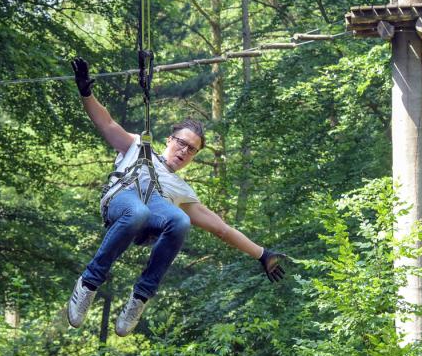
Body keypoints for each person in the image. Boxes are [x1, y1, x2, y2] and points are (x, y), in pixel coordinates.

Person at [67, 57, 287, 336]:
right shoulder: (137, 146)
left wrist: (262, 254)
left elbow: (221, 228)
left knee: (181, 221)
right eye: (181, 143)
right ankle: (88, 283)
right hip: (122, 199)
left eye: (191, 149)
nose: (184, 151)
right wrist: (86, 91)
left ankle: (140, 298)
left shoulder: (182, 191)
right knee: (138, 212)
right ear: (169, 140)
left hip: (151, 214)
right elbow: (106, 123)